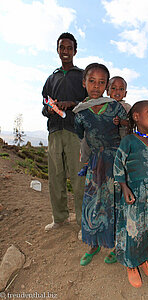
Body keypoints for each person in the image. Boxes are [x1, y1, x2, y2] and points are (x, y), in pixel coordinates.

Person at [74, 63, 127, 266]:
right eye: (92, 81)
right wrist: (86, 157)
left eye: (101, 82)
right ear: (84, 83)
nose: (96, 86)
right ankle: (93, 244)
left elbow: (125, 131)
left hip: (115, 162)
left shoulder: (115, 107)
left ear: (106, 86)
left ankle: (114, 246)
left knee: (115, 204)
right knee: (92, 203)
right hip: (95, 164)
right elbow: (82, 135)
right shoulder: (80, 112)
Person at [113, 100, 148, 288]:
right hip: (134, 193)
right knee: (133, 229)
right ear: (136, 117)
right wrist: (124, 187)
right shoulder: (128, 141)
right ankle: (131, 265)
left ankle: (145, 259)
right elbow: (118, 165)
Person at [42, 32, 87, 231]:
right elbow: (44, 106)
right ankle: (59, 219)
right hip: (54, 132)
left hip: (75, 133)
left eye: (69, 48)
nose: (65, 51)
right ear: (57, 50)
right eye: (62, 47)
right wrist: (49, 109)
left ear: (75, 51)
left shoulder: (83, 76)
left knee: (79, 178)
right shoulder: (51, 78)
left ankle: (83, 222)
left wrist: (73, 104)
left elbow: (90, 103)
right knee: (55, 177)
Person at [77, 75, 131, 176]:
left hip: (119, 137)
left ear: (125, 93)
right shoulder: (103, 103)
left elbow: (131, 123)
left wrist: (121, 121)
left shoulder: (126, 107)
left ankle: (123, 163)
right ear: (108, 91)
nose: (117, 91)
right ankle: (86, 163)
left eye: (121, 89)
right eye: (113, 88)